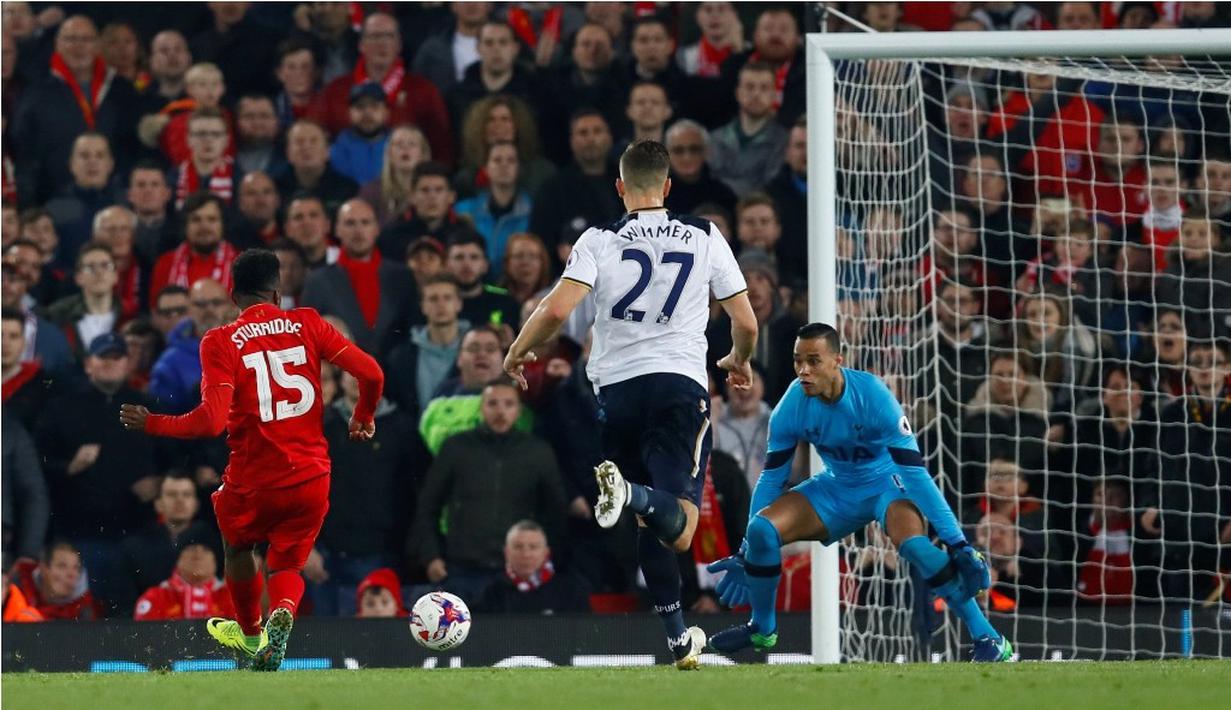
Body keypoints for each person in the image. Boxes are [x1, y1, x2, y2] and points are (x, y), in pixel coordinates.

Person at [503, 139, 757, 669]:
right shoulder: (705, 234)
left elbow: (555, 311)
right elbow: (747, 322)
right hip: (679, 388)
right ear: (668, 187)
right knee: (681, 526)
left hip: (615, 392)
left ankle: (676, 636)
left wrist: (518, 350)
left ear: (621, 188)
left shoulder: (598, 239)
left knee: (650, 523)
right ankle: (633, 494)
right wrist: (738, 358)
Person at [120, 248, 385, 671]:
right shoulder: (309, 323)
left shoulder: (220, 341)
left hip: (253, 479)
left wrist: (153, 424)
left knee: (238, 547)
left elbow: (209, 423)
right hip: (311, 475)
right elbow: (371, 373)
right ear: (278, 293)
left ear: (232, 294)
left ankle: (248, 634)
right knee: (289, 561)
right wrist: (362, 416)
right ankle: (282, 612)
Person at [702, 323, 1013, 662]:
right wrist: (747, 549)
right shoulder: (792, 405)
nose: (804, 371)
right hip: (837, 487)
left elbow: (915, 474)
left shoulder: (873, 396)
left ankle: (989, 638)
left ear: (838, 360)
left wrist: (958, 543)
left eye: (813, 361)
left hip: (886, 486)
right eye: (797, 361)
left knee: (917, 548)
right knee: (762, 529)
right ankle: (762, 628)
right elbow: (771, 479)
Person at [478, 519, 591, 614]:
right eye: (518, 547)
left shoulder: (570, 592)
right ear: (506, 552)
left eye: (533, 547)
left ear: (546, 553)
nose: (526, 554)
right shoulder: (491, 592)